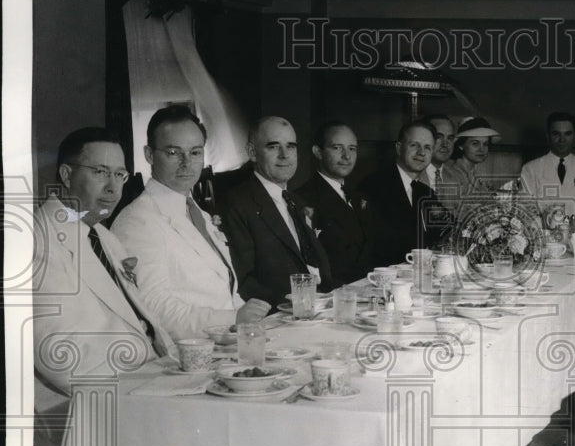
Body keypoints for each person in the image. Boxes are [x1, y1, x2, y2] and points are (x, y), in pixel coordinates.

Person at [33, 127, 175, 446]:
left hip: (140, 385)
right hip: (81, 410)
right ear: (67, 175)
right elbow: (58, 355)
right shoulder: (37, 242)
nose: (113, 188)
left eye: (120, 175)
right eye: (99, 173)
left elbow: (138, 320)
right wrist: (152, 381)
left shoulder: (100, 235)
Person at [112, 105, 270, 342]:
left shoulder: (199, 213)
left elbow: (223, 290)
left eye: (195, 152)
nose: (187, 163)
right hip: (187, 355)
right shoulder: (137, 221)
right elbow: (153, 307)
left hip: (225, 344)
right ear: (149, 155)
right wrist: (233, 319)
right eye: (174, 153)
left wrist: (249, 319)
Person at [220, 116, 334, 308]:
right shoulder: (237, 204)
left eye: (291, 146)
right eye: (273, 147)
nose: (285, 155)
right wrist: (290, 309)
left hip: (317, 310)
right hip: (279, 319)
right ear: (252, 152)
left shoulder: (296, 201)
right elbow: (243, 281)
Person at [295, 120, 377, 287]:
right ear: (318, 152)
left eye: (352, 149)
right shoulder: (303, 199)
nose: (346, 156)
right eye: (337, 148)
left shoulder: (358, 197)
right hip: (336, 296)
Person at [360, 119, 452, 265]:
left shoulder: (424, 192)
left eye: (427, 147)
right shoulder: (374, 186)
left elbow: (447, 227)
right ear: (399, 148)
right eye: (414, 145)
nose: (421, 153)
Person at [519, 111, 575, 213]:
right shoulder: (530, 169)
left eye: (567, 134)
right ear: (548, 136)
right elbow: (525, 211)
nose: (562, 140)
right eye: (556, 134)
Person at [437, 116, 501, 213]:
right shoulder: (450, 175)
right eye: (475, 144)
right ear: (461, 145)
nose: (481, 149)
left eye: (485, 144)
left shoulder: (476, 177)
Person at [423, 114, 456, 193]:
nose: (445, 144)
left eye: (450, 138)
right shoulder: (411, 175)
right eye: (438, 137)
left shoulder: (456, 175)